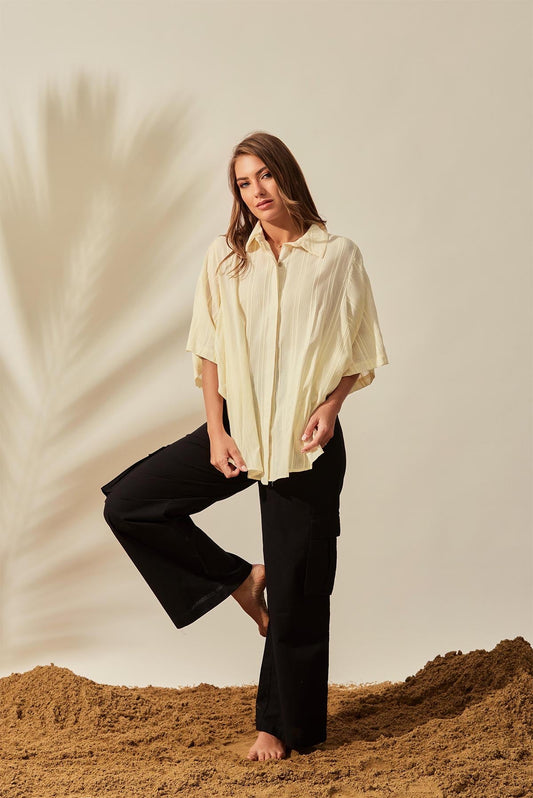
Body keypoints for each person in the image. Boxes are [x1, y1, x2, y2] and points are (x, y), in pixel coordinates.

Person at [100, 131, 389, 761]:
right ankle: (239, 579)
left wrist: (332, 407)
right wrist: (215, 429)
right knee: (131, 504)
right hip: (239, 425)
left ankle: (279, 727)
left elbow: (359, 347)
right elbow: (207, 347)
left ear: (287, 175)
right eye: (243, 182)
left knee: (301, 589)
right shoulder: (226, 257)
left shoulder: (337, 256)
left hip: (306, 437)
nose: (256, 191)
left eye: (265, 176)